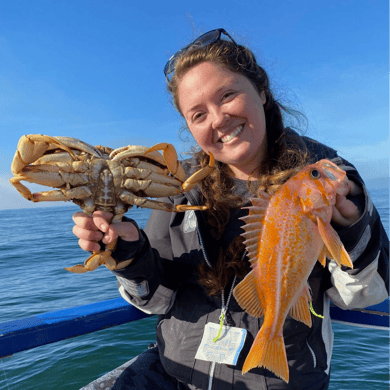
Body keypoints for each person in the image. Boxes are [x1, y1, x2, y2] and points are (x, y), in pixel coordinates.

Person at [74, 29, 389, 390]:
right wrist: (129, 250)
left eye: (228, 95)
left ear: (262, 91)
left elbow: (367, 294)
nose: (218, 119)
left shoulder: (325, 173)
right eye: (197, 114)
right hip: (177, 373)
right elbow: (158, 300)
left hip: (277, 381)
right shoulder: (179, 186)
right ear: (190, 128)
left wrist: (352, 229)